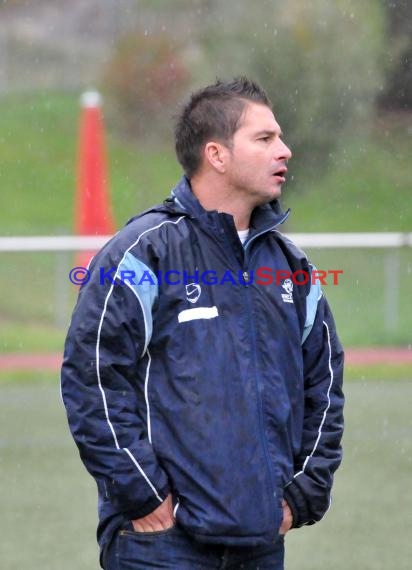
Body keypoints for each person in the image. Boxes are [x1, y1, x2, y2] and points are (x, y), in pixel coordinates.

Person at [61, 76, 344, 570]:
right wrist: (143, 494)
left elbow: (324, 385)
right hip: (160, 543)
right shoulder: (142, 251)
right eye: (265, 138)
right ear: (216, 154)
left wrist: (301, 496)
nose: (285, 150)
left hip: (260, 541)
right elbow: (93, 378)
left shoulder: (292, 266)